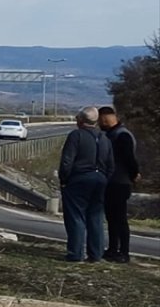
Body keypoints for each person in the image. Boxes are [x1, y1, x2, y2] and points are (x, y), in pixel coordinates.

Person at [57, 107, 114, 263]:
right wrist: (105, 179)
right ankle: (96, 254)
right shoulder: (104, 139)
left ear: (81, 120)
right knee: (96, 217)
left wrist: (64, 179)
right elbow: (111, 165)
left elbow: (67, 161)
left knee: (76, 216)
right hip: (100, 180)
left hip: (79, 179)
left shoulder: (76, 136)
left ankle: (76, 253)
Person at [99, 106, 140, 263]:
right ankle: (112, 249)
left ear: (105, 118)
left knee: (120, 218)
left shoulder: (122, 136)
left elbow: (129, 159)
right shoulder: (113, 134)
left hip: (120, 182)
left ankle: (124, 252)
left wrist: (134, 174)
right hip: (113, 181)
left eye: (100, 121)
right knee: (112, 218)